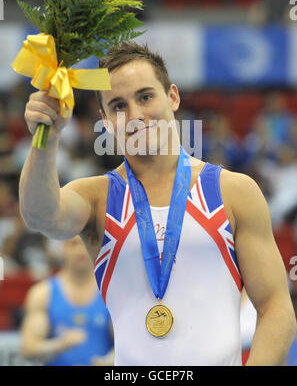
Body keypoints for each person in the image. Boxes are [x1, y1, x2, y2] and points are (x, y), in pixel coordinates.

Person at [18, 42, 296, 366]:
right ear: (105, 120)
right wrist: (45, 141)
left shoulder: (233, 192)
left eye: (145, 96)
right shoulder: (97, 198)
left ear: (173, 97)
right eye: (119, 106)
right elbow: (41, 216)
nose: (135, 115)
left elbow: (276, 308)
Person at [20, 236, 114, 366]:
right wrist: (59, 345)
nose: (80, 251)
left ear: (95, 248)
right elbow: (28, 348)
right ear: (62, 249)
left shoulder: (110, 292)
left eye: (85, 243)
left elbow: (127, 345)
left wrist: (108, 361)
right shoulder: (43, 294)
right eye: (73, 244)